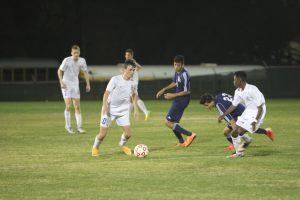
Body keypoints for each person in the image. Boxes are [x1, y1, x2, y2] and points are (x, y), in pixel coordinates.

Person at [218, 71, 274, 158]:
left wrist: (255, 120)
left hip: (258, 111)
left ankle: (245, 145)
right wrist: (223, 115)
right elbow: (234, 105)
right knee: (234, 132)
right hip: (248, 111)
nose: (233, 82)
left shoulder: (252, 89)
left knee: (240, 131)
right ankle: (239, 153)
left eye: (234, 79)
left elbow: (260, 107)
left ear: (240, 80)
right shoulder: (238, 91)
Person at [92, 59, 138, 156]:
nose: (132, 72)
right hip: (109, 109)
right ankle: (95, 147)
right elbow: (106, 94)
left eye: (134, 70)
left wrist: (135, 109)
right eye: (130, 69)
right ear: (124, 70)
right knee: (102, 135)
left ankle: (122, 145)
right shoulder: (115, 79)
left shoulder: (133, 83)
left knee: (128, 134)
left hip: (123, 110)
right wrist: (105, 106)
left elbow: (134, 95)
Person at [200, 92, 274, 151]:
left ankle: (238, 148)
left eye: (206, 105)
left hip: (240, 114)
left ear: (208, 101)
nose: (207, 107)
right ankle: (243, 141)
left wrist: (235, 130)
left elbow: (230, 119)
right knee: (226, 132)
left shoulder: (219, 104)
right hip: (239, 111)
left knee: (240, 130)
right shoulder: (220, 95)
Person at [156, 55, 196, 147]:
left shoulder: (184, 74)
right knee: (173, 122)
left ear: (182, 65)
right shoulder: (177, 72)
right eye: (175, 65)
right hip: (179, 99)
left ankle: (190, 134)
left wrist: (173, 95)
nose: (176, 67)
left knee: (168, 122)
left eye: (178, 65)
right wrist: (164, 89)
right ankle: (181, 142)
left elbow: (187, 91)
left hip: (183, 100)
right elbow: (175, 82)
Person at [57, 45, 90, 134]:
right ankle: (68, 126)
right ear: (71, 53)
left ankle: (79, 127)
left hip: (75, 84)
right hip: (66, 84)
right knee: (68, 105)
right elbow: (59, 71)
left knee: (77, 106)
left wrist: (88, 84)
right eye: (74, 53)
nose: (76, 54)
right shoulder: (67, 60)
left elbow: (85, 72)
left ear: (79, 53)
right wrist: (61, 82)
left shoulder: (82, 61)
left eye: (77, 53)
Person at [125, 49, 150, 120]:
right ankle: (129, 115)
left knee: (134, 98)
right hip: (132, 82)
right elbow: (137, 69)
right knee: (131, 99)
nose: (127, 56)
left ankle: (145, 111)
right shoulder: (129, 62)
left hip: (132, 83)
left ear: (132, 56)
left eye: (128, 55)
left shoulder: (132, 62)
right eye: (126, 55)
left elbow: (138, 68)